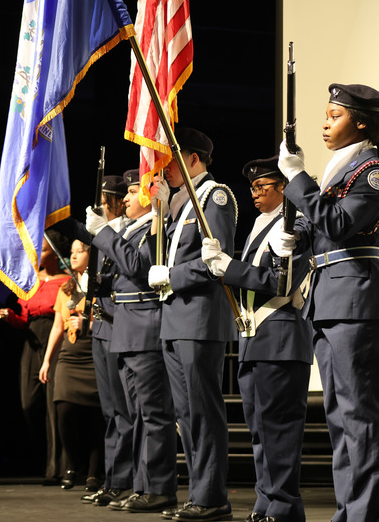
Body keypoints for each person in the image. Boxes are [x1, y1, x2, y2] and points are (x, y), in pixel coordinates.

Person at [275, 83, 379, 522]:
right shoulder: (341, 167)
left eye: (335, 115)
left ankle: (364, 515)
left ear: (361, 123)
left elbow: (340, 223)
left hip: (356, 296)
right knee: (340, 418)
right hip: (330, 295)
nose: (325, 124)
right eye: (326, 115)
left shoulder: (373, 169)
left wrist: (298, 180)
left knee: (360, 416)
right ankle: (349, 512)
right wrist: (295, 236)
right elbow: (320, 227)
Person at [201, 157, 314, 522]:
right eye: (252, 187)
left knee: (279, 430)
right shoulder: (260, 226)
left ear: (284, 188)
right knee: (261, 431)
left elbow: (279, 282)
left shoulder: (295, 224)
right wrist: (222, 267)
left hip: (281, 338)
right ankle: (266, 503)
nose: (254, 193)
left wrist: (228, 267)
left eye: (262, 186)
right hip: (256, 339)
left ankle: (284, 506)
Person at [146, 127, 237, 522]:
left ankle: (212, 497)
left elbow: (217, 260)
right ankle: (199, 494)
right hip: (175, 319)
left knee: (203, 412)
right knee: (185, 417)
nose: (163, 169)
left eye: (169, 160)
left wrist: (172, 276)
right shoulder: (181, 204)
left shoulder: (214, 197)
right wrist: (158, 213)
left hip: (199, 319)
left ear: (193, 159)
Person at [86, 169, 178, 513]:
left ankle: (158, 488)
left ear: (149, 195)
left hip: (144, 327)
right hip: (126, 328)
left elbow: (138, 265)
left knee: (153, 414)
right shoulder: (133, 230)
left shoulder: (156, 227)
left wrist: (104, 233)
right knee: (138, 414)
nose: (124, 198)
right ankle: (141, 486)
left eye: (132, 191)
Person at [52, 176, 134, 501]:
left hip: (119, 325)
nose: (100, 206)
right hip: (100, 327)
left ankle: (124, 480)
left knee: (123, 410)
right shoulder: (101, 230)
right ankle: (112, 480)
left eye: (104, 200)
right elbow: (68, 226)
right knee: (110, 411)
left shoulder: (127, 231)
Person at [0, 230, 70, 484]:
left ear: (55, 254)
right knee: (29, 403)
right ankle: (42, 458)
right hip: (32, 340)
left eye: (44, 250)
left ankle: (57, 468)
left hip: (56, 337)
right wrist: (11, 318)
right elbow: (25, 320)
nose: (37, 254)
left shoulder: (66, 281)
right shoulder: (31, 280)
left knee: (53, 406)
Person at [39, 240, 105, 493]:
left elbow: (111, 317)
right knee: (64, 410)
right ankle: (71, 465)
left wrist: (89, 324)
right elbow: (57, 326)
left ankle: (94, 472)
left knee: (96, 417)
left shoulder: (101, 284)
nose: (74, 256)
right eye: (72, 252)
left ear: (92, 254)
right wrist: (47, 359)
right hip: (69, 355)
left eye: (80, 251)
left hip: (95, 352)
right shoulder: (66, 288)